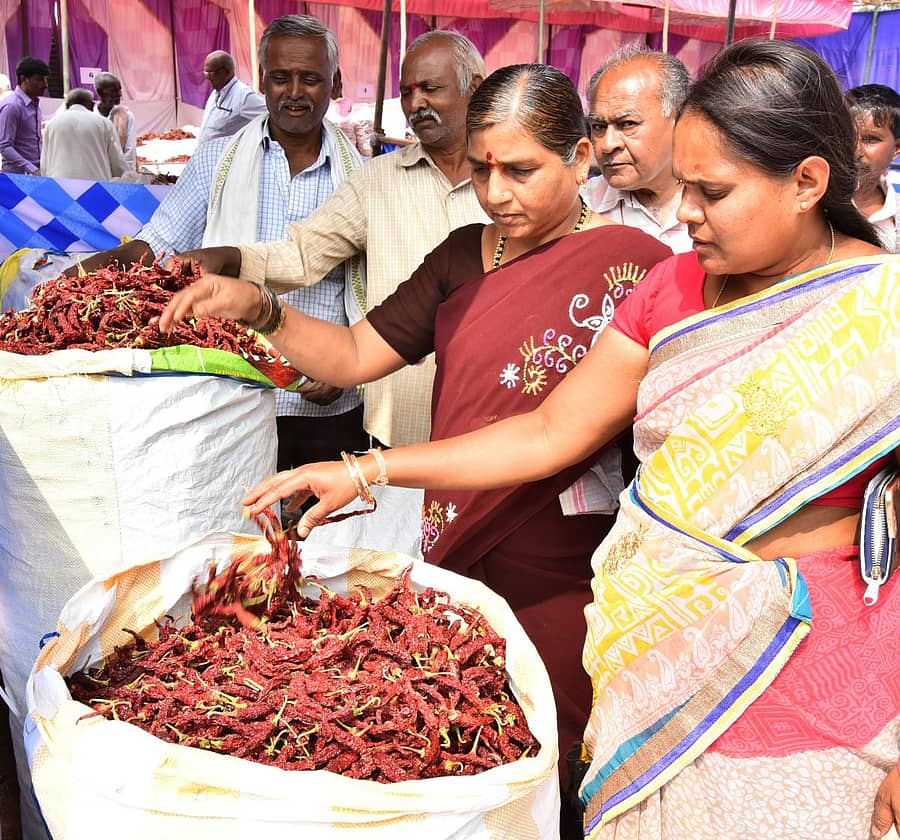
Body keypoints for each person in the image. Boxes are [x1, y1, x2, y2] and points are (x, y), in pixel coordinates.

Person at [168, 41, 900, 839]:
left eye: (711, 191)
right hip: (653, 644)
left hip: (815, 664)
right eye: (683, 186)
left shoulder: (881, 313)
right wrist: (368, 467)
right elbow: (550, 430)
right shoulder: (672, 286)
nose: (684, 210)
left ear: (807, 183)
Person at [160, 62, 672, 823]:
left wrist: (365, 469)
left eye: (524, 170)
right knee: (459, 730)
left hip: (567, 559)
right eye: (484, 167)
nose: (498, 193)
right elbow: (353, 356)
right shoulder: (464, 255)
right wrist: (260, 308)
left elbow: (551, 434)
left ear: (580, 160)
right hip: (456, 531)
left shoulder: (636, 266)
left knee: (552, 745)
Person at [72, 15, 370, 475]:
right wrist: (69, 282)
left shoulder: (364, 179)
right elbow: (155, 248)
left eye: (310, 79)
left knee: (326, 542)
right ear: (262, 82)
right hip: (230, 401)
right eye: (280, 78)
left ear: (335, 83)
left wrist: (350, 367)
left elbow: (381, 287)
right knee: (234, 540)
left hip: (326, 408)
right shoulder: (218, 161)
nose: (294, 92)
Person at [178, 29, 489, 449]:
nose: (416, 104)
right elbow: (304, 254)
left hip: (493, 420)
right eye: (407, 92)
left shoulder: (505, 177)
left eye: (431, 89)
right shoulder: (375, 180)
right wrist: (228, 258)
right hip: (399, 429)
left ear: (477, 88)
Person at [583, 44, 693, 253]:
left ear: (679, 120)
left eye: (627, 124)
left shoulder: (719, 209)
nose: (607, 145)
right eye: (598, 127)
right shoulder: (580, 210)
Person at [846, 83, 900, 253]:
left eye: (870, 139)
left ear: (896, 148)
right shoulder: (813, 201)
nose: (855, 151)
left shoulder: (895, 213)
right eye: (847, 136)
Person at [40, 88, 127, 181]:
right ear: (92, 105)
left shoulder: (52, 124)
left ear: (67, 105)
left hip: (60, 186)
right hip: (95, 186)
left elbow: (44, 162)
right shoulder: (104, 123)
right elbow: (117, 162)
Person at [197, 50, 267, 144]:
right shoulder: (215, 93)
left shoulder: (244, 96)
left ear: (228, 72)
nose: (208, 78)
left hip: (227, 157)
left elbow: (271, 119)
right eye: (206, 74)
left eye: (212, 74)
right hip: (208, 154)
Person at [0, 57, 49, 174]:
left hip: (35, 173)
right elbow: (4, 145)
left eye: (46, 80)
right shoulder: (12, 106)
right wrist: (31, 168)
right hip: (18, 176)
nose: (45, 85)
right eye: (40, 79)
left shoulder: (34, 105)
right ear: (24, 79)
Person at [93, 72, 137, 171]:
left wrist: (127, 176)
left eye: (119, 89)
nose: (119, 94)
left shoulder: (127, 116)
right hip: (94, 172)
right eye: (113, 91)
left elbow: (129, 152)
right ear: (100, 92)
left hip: (119, 175)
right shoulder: (91, 116)